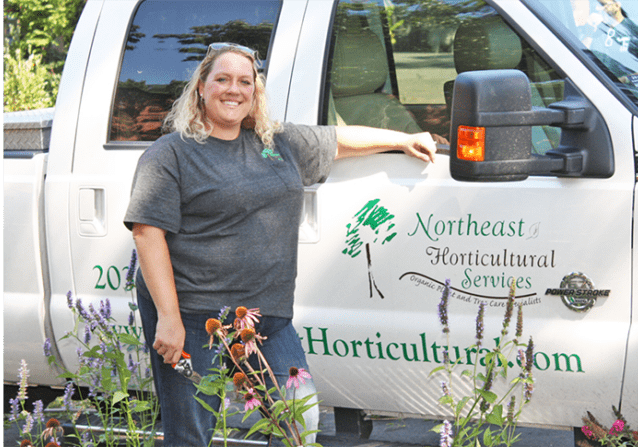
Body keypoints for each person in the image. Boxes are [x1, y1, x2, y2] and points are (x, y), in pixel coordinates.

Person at [123, 42, 436, 446]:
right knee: (191, 434)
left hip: (265, 316)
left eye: (244, 81)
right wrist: (169, 318)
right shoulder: (171, 154)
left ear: (255, 91)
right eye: (222, 79)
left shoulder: (276, 142)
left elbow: (338, 139)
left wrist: (403, 139)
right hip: (198, 316)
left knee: (298, 421)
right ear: (201, 87)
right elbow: (147, 233)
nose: (233, 89)